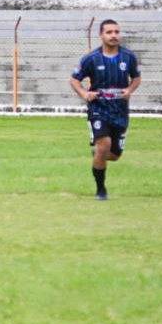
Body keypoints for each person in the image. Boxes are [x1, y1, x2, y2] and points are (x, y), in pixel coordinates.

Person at [68, 19, 141, 201]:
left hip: (120, 111)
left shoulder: (128, 57)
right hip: (98, 109)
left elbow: (136, 78)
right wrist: (84, 94)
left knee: (114, 155)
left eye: (116, 32)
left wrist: (129, 90)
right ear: (101, 35)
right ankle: (101, 190)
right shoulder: (91, 58)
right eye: (109, 32)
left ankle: (98, 155)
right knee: (104, 144)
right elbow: (74, 79)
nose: (114, 35)